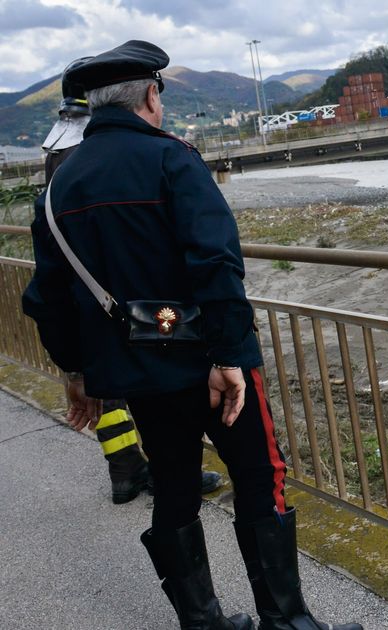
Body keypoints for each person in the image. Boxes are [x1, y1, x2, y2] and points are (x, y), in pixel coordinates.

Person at [22, 40, 361, 630]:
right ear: (150, 97)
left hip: (137, 374)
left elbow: (47, 298)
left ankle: (202, 625)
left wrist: (76, 373)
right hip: (209, 361)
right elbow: (216, 263)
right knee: (260, 477)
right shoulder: (173, 160)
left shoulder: (59, 188)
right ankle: (287, 623)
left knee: (175, 485)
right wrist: (230, 353)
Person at [41, 56, 224, 505]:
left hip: (89, 298)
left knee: (111, 391)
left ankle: (126, 470)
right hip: (140, 302)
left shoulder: (57, 149)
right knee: (149, 392)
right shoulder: (101, 150)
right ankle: (162, 471)